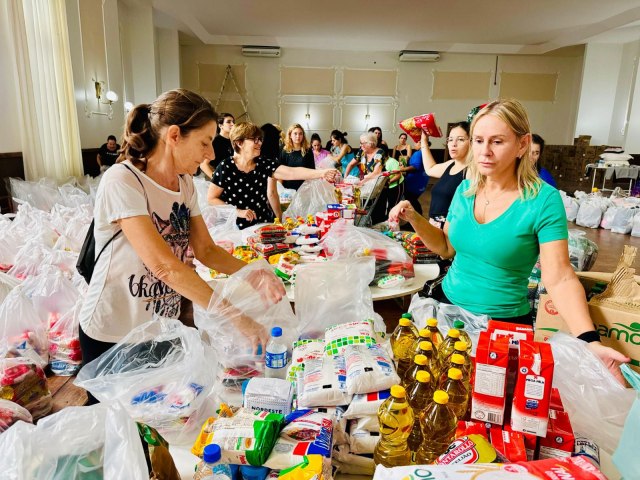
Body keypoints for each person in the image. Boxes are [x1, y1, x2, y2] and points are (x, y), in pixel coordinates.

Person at [389, 99, 629, 382]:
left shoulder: (542, 200)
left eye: (497, 141)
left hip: (501, 327)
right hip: (447, 312)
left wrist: (590, 341)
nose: (484, 152)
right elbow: (445, 247)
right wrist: (415, 219)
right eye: (478, 140)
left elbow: (561, 278)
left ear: (522, 144)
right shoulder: (466, 189)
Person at [79, 90, 286, 394]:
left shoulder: (185, 182)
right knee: (124, 432)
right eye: (204, 143)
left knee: (168, 423)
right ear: (174, 135)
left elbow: (206, 250)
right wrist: (237, 317)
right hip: (115, 333)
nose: (211, 155)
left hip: (162, 327)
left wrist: (254, 272)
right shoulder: (123, 180)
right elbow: (165, 267)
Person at [208, 122, 338, 229]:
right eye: (255, 140)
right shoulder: (225, 167)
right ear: (239, 143)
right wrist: (238, 212)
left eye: (260, 139)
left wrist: (322, 172)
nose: (259, 143)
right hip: (235, 227)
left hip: (263, 224)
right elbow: (212, 199)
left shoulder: (263, 163)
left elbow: (291, 172)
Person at [421, 122, 470, 228]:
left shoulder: (472, 171)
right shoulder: (451, 164)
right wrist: (424, 141)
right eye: (450, 139)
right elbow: (430, 169)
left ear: (472, 142)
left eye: (460, 139)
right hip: (434, 226)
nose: (453, 144)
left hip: (452, 229)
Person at [345, 132, 388, 224]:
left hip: (377, 187)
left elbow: (376, 172)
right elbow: (350, 164)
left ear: (371, 143)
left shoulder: (379, 153)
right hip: (364, 185)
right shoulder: (362, 151)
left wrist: (362, 182)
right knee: (359, 207)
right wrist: (345, 178)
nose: (360, 145)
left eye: (362, 143)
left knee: (376, 213)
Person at [278, 123, 315, 190]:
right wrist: (281, 190)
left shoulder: (308, 151)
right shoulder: (285, 151)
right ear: (290, 135)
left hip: (304, 188)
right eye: (295, 133)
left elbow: (312, 171)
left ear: (303, 135)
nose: (298, 136)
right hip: (288, 190)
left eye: (300, 134)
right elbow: (281, 173)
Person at [397, 140, 429, 215]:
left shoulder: (418, 153)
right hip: (422, 180)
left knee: (411, 200)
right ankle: (415, 218)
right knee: (412, 200)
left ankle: (417, 218)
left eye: (416, 142)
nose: (414, 144)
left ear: (421, 144)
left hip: (414, 181)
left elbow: (415, 166)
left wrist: (402, 169)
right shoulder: (425, 153)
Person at [199, 112, 235, 178]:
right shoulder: (215, 141)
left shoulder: (233, 141)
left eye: (233, 122)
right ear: (220, 125)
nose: (232, 124)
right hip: (219, 180)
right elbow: (203, 164)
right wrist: (215, 179)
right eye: (228, 122)